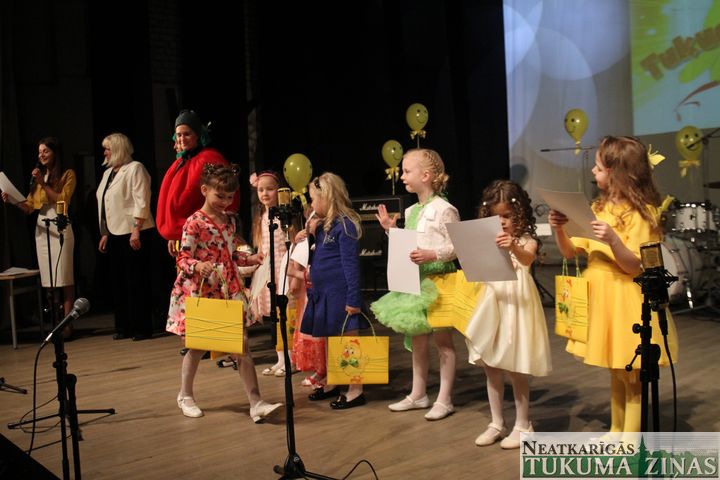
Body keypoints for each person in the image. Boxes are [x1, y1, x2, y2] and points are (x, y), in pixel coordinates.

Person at [548, 135, 679, 434]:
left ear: (617, 172)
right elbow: (570, 252)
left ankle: (631, 439)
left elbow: (635, 266)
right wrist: (559, 229)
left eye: (598, 168)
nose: (593, 172)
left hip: (625, 299)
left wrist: (613, 240)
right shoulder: (598, 207)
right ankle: (616, 431)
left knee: (631, 373)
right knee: (615, 368)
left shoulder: (642, 214)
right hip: (600, 297)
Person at [166, 163, 282, 422]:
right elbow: (183, 258)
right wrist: (198, 265)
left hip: (227, 292)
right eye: (220, 196)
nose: (225, 202)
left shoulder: (229, 221)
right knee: (197, 346)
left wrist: (251, 258)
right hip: (202, 293)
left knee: (241, 346)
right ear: (204, 190)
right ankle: (185, 395)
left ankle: (256, 402)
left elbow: (230, 256)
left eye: (229, 197)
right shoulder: (194, 223)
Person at [371, 148, 459, 421]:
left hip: (440, 281)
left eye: (407, 171)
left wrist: (433, 254)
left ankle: (445, 398)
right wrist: (392, 231)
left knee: (443, 341)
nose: (402, 176)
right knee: (417, 339)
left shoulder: (445, 209)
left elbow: (457, 246)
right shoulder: (411, 210)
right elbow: (409, 245)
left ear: (426, 175)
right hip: (417, 282)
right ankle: (418, 393)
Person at [464, 180, 552, 449]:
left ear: (519, 214)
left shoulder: (526, 240)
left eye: (507, 216)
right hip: (493, 300)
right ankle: (496, 422)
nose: (501, 222)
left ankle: (523, 424)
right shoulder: (490, 241)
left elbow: (526, 259)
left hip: (516, 303)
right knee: (491, 364)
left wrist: (512, 246)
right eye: (495, 216)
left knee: (515, 365)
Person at [299, 173, 369, 409]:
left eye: (313, 199)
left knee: (349, 341)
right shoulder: (324, 226)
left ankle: (356, 390)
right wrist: (310, 232)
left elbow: (351, 266)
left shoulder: (345, 225)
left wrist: (353, 299)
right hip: (325, 293)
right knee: (331, 338)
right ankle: (335, 380)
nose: (311, 205)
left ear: (327, 197)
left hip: (341, 293)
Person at [2, 137, 76, 336]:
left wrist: (43, 183)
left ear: (55, 153)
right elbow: (29, 207)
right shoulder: (39, 177)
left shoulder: (68, 174)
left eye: (45, 151)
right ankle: (55, 323)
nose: (41, 155)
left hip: (60, 223)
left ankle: (67, 325)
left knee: (65, 276)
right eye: (39, 152)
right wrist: (12, 200)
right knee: (49, 280)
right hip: (42, 228)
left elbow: (62, 199)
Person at [96, 133, 155, 341]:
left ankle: (142, 327)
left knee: (136, 280)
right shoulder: (108, 173)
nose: (105, 153)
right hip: (115, 232)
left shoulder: (135, 168)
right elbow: (105, 204)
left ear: (118, 149)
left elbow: (142, 200)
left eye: (108, 149)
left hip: (134, 230)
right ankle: (124, 326)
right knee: (119, 281)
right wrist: (105, 232)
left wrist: (136, 228)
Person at [156, 109, 239, 256]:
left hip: (206, 234)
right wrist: (174, 235)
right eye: (179, 135)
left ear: (198, 135)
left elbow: (227, 192)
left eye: (187, 134)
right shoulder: (181, 162)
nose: (182, 139)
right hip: (186, 233)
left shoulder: (209, 158)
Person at [245, 171, 298, 377]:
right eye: (260, 190)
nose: (265, 193)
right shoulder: (262, 216)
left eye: (270, 189)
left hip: (284, 268)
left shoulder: (285, 215)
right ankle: (281, 358)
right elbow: (262, 246)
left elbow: (293, 243)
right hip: (268, 270)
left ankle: (292, 358)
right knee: (275, 317)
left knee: (286, 315)